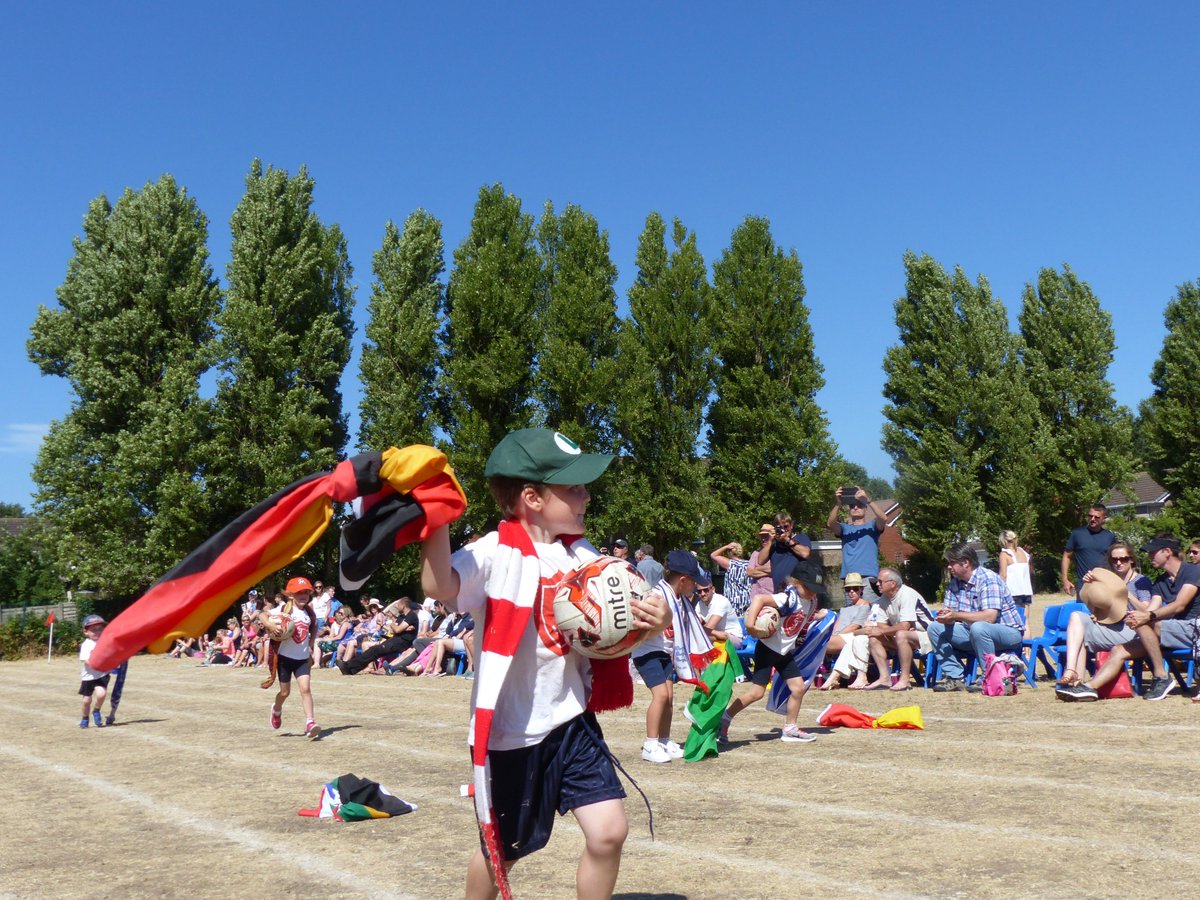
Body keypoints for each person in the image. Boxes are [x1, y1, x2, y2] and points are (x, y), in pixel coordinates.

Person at [419, 428, 669, 900]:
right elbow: (439, 586)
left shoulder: (582, 554)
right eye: (573, 488)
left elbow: (629, 614)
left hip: (571, 721)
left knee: (609, 832)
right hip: (514, 733)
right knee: (503, 851)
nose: (586, 496)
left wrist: (656, 619)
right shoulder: (494, 551)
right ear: (532, 498)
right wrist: (436, 517)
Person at [1065, 535, 1198, 702]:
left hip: (1193, 629)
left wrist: (1147, 615)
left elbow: (1179, 605)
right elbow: (1151, 609)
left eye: (1153, 552)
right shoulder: (1160, 582)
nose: (1149, 556)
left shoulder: (1193, 571)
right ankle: (1089, 688)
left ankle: (1162, 677)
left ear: (1167, 552)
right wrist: (1143, 615)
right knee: (1118, 650)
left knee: (1144, 622)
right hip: (1166, 633)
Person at [723, 571, 828, 744]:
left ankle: (790, 729)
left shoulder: (811, 601)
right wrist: (750, 625)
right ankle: (725, 719)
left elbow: (803, 617)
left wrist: (819, 616)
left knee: (798, 688)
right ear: (797, 582)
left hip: (783, 652)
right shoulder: (787, 598)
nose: (812, 592)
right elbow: (759, 599)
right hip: (767, 649)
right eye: (809, 587)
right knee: (757, 693)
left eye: (815, 589)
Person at [1054, 562, 1169, 701]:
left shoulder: (1140, 581)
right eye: (1114, 559)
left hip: (1135, 630)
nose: (1119, 562)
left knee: (1081, 636)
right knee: (1076, 617)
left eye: (1123, 558)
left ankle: (1082, 686)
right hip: (1111, 626)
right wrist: (1091, 586)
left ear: (1131, 560)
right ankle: (1073, 675)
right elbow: (1100, 609)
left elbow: (1147, 613)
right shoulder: (1105, 579)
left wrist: (1126, 594)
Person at [631, 549, 706, 763]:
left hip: (665, 652)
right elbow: (641, 624)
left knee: (670, 698)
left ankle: (664, 741)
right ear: (683, 580)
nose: (696, 586)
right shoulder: (656, 596)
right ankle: (650, 744)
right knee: (661, 696)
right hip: (647, 651)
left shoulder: (679, 599)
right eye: (694, 581)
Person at [928, 543, 1024, 692]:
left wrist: (956, 615)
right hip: (973, 632)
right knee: (935, 628)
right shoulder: (954, 584)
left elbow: (990, 617)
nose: (949, 566)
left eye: (952, 562)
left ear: (966, 563)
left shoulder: (988, 579)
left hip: (1008, 632)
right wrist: (946, 617)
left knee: (979, 627)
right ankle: (955, 677)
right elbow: (951, 613)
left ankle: (989, 676)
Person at [260, 576, 322, 740]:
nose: (303, 595)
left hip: (302, 659)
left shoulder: (309, 613)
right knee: (285, 692)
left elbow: (314, 626)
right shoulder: (283, 610)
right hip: (285, 659)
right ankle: (276, 709)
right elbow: (262, 615)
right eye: (299, 592)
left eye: (306, 592)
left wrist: (311, 643)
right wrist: (270, 625)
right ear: (290, 595)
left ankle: (310, 722)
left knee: (305, 689)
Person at [337, 596, 419, 676]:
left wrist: (393, 624)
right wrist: (401, 628)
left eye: (398, 605)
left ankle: (349, 667)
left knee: (375, 650)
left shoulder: (411, 616)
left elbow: (397, 630)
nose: (396, 607)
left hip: (402, 643)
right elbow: (393, 631)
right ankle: (351, 669)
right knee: (374, 651)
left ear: (403, 605)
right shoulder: (402, 617)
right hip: (395, 640)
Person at [827, 487, 887, 584]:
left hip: (868, 577)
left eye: (859, 505)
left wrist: (868, 500)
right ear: (849, 510)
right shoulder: (844, 529)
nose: (855, 508)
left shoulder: (872, 527)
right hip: (849, 578)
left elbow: (883, 518)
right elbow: (830, 523)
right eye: (852, 506)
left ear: (865, 509)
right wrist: (838, 504)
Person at [1061, 504, 1116, 596]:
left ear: (1104, 518)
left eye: (1097, 517)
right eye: (1090, 516)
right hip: (1084, 585)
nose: (1092, 519)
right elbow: (1066, 556)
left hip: (1105, 584)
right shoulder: (1077, 534)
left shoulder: (1109, 536)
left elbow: (1115, 559)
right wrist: (1065, 579)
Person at [763, 512, 813, 592]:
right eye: (780, 527)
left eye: (786, 526)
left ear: (791, 525)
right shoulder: (774, 544)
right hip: (779, 590)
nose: (783, 530)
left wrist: (787, 540)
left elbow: (805, 554)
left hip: (797, 591)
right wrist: (770, 541)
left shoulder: (801, 537)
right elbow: (760, 560)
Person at [695, 569, 744, 650]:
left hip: (733, 638)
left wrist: (697, 629)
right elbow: (695, 623)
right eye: (699, 591)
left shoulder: (721, 601)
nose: (702, 594)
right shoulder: (699, 604)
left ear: (713, 589)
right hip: (714, 635)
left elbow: (709, 627)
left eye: (706, 590)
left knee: (705, 638)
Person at [998, 530, 1034, 638]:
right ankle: (1027, 648)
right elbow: (1029, 571)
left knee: (1014, 623)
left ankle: (1018, 646)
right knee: (1026, 622)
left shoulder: (1004, 554)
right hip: (1026, 590)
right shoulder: (1023, 552)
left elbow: (1003, 575)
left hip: (1012, 592)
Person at [78, 614, 111, 728]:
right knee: (86, 701)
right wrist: (97, 663)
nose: (97, 632)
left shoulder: (105, 642)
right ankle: (85, 718)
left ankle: (96, 710)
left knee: (101, 694)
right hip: (89, 677)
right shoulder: (86, 645)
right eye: (93, 630)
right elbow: (86, 660)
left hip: (101, 675)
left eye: (100, 629)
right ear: (86, 632)